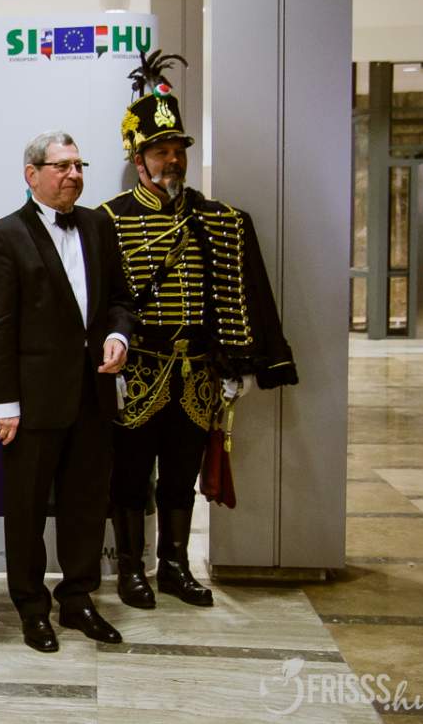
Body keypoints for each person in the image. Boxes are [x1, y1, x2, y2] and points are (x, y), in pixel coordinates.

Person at [100, 52, 298, 610]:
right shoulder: (109, 219)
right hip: (139, 368)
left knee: (181, 474)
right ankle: (131, 571)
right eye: (160, 150)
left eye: (178, 150)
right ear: (138, 158)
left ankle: (174, 567)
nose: (172, 160)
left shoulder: (218, 219)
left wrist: (247, 362)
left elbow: (244, 293)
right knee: (130, 476)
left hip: (197, 373)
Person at [0, 131, 136, 653]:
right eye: (62, 166)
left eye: (78, 165)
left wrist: (118, 336)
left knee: (85, 504)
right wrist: (2, 404)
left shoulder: (98, 225)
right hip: (31, 403)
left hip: (94, 394)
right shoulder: (4, 236)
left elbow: (121, 299)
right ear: (32, 175)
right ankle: (30, 607)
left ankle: (78, 599)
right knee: (25, 509)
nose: (74, 174)